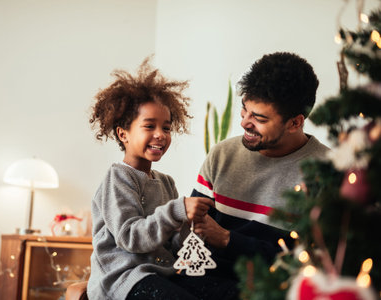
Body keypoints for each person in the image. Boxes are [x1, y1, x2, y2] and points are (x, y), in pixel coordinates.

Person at [87, 58, 238, 300]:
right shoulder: (117, 178)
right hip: (124, 280)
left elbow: (174, 245)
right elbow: (130, 237)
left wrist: (192, 227)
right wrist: (178, 210)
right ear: (123, 134)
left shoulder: (166, 182)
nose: (160, 135)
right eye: (149, 126)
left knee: (230, 291)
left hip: (162, 272)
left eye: (166, 128)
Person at [192, 52, 330, 278]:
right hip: (208, 282)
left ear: (295, 123)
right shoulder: (222, 155)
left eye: (260, 118)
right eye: (244, 109)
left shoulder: (329, 174)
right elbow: (195, 232)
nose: (244, 122)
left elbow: (317, 265)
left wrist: (229, 240)